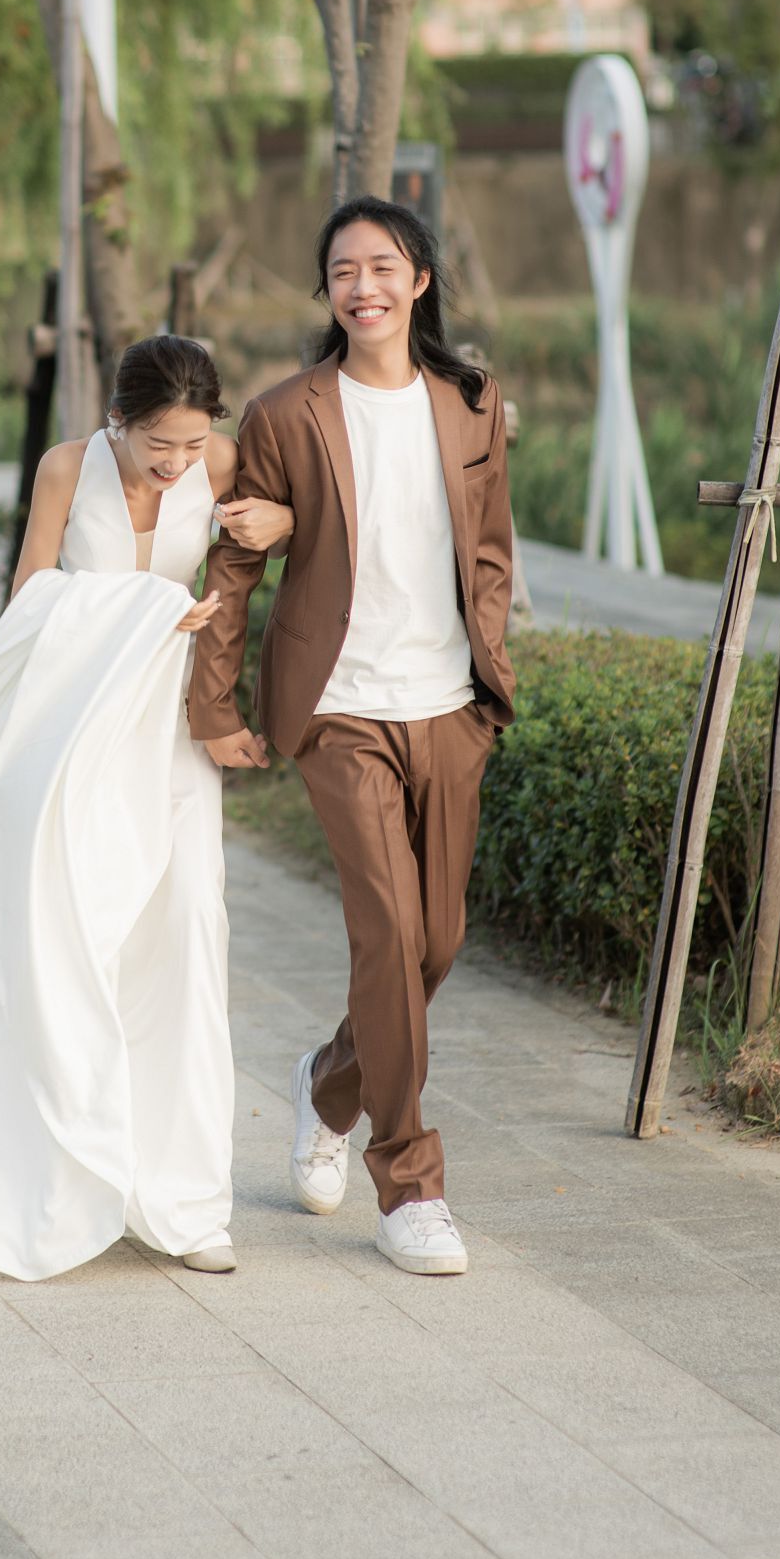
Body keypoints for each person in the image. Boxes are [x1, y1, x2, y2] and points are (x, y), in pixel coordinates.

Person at [0, 335, 293, 1281]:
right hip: (72, 720)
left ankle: (184, 1201)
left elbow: (264, 554)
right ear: (116, 420)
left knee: (187, 924)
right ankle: (65, 1169)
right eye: (157, 444)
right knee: (67, 927)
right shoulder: (66, 467)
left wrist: (286, 521)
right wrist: (142, 611)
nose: (176, 463)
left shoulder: (222, 462)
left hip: (168, 727)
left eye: (192, 446)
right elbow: (30, 595)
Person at [188, 198, 515, 1277]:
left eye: (382, 266)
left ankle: (329, 1084)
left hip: (447, 705)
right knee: (386, 931)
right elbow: (236, 563)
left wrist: (490, 677)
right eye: (342, 271)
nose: (362, 286)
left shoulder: (469, 401)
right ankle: (410, 1183)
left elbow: (491, 550)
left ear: (419, 278)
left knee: (436, 943)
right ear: (327, 291)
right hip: (339, 707)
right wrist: (214, 707)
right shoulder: (287, 413)